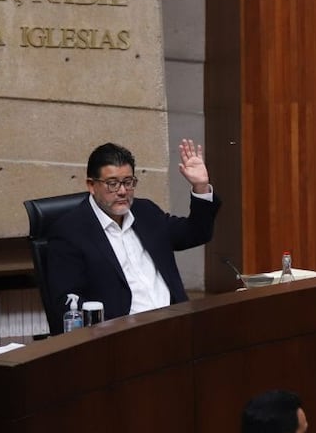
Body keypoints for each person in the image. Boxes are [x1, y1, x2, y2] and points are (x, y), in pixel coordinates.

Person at [45, 138, 221, 322]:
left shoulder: (146, 212)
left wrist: (200, 186)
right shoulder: (70, 231)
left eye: (128, 182)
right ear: (91, 185)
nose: (122, 191)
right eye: (112, 183)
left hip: (176, 321)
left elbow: (196, 233)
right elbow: (66, 301)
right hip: (122, 334)